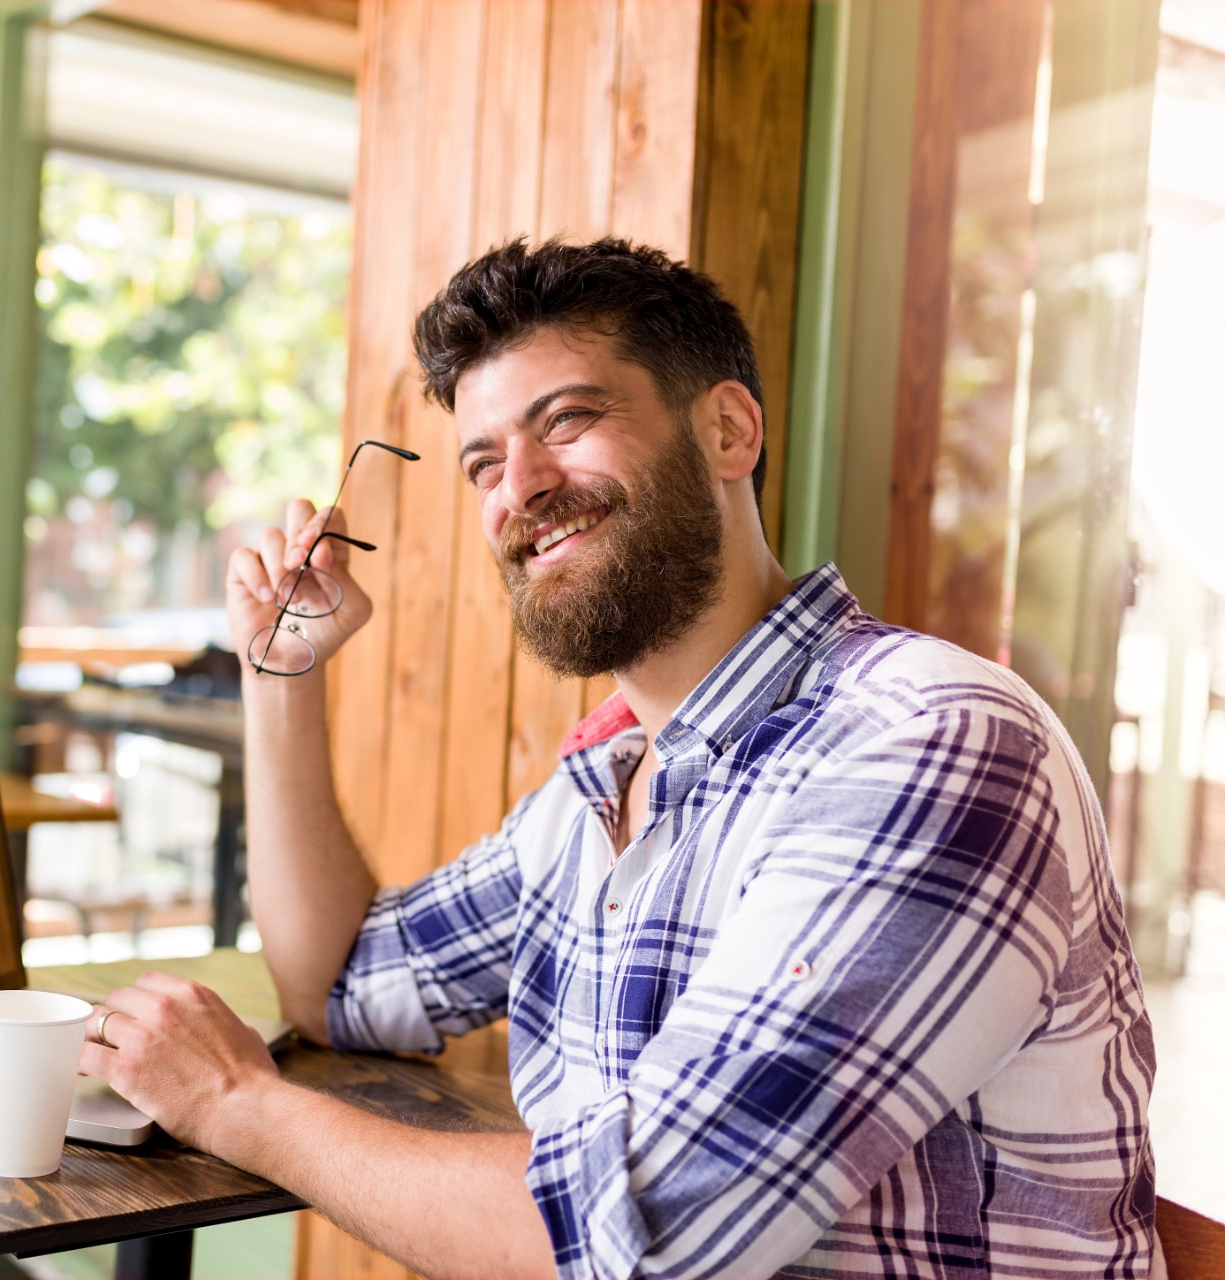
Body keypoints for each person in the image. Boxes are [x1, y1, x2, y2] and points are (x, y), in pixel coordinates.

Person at [77, 238, 1159, 1278]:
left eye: (570, 419)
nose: (522, 487)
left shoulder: (923, 740)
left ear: (730, 431)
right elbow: (347, 980)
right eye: (485, 463)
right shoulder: (608, 779)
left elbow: (650, 1232)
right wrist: (281, 673)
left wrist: (235, 1103)